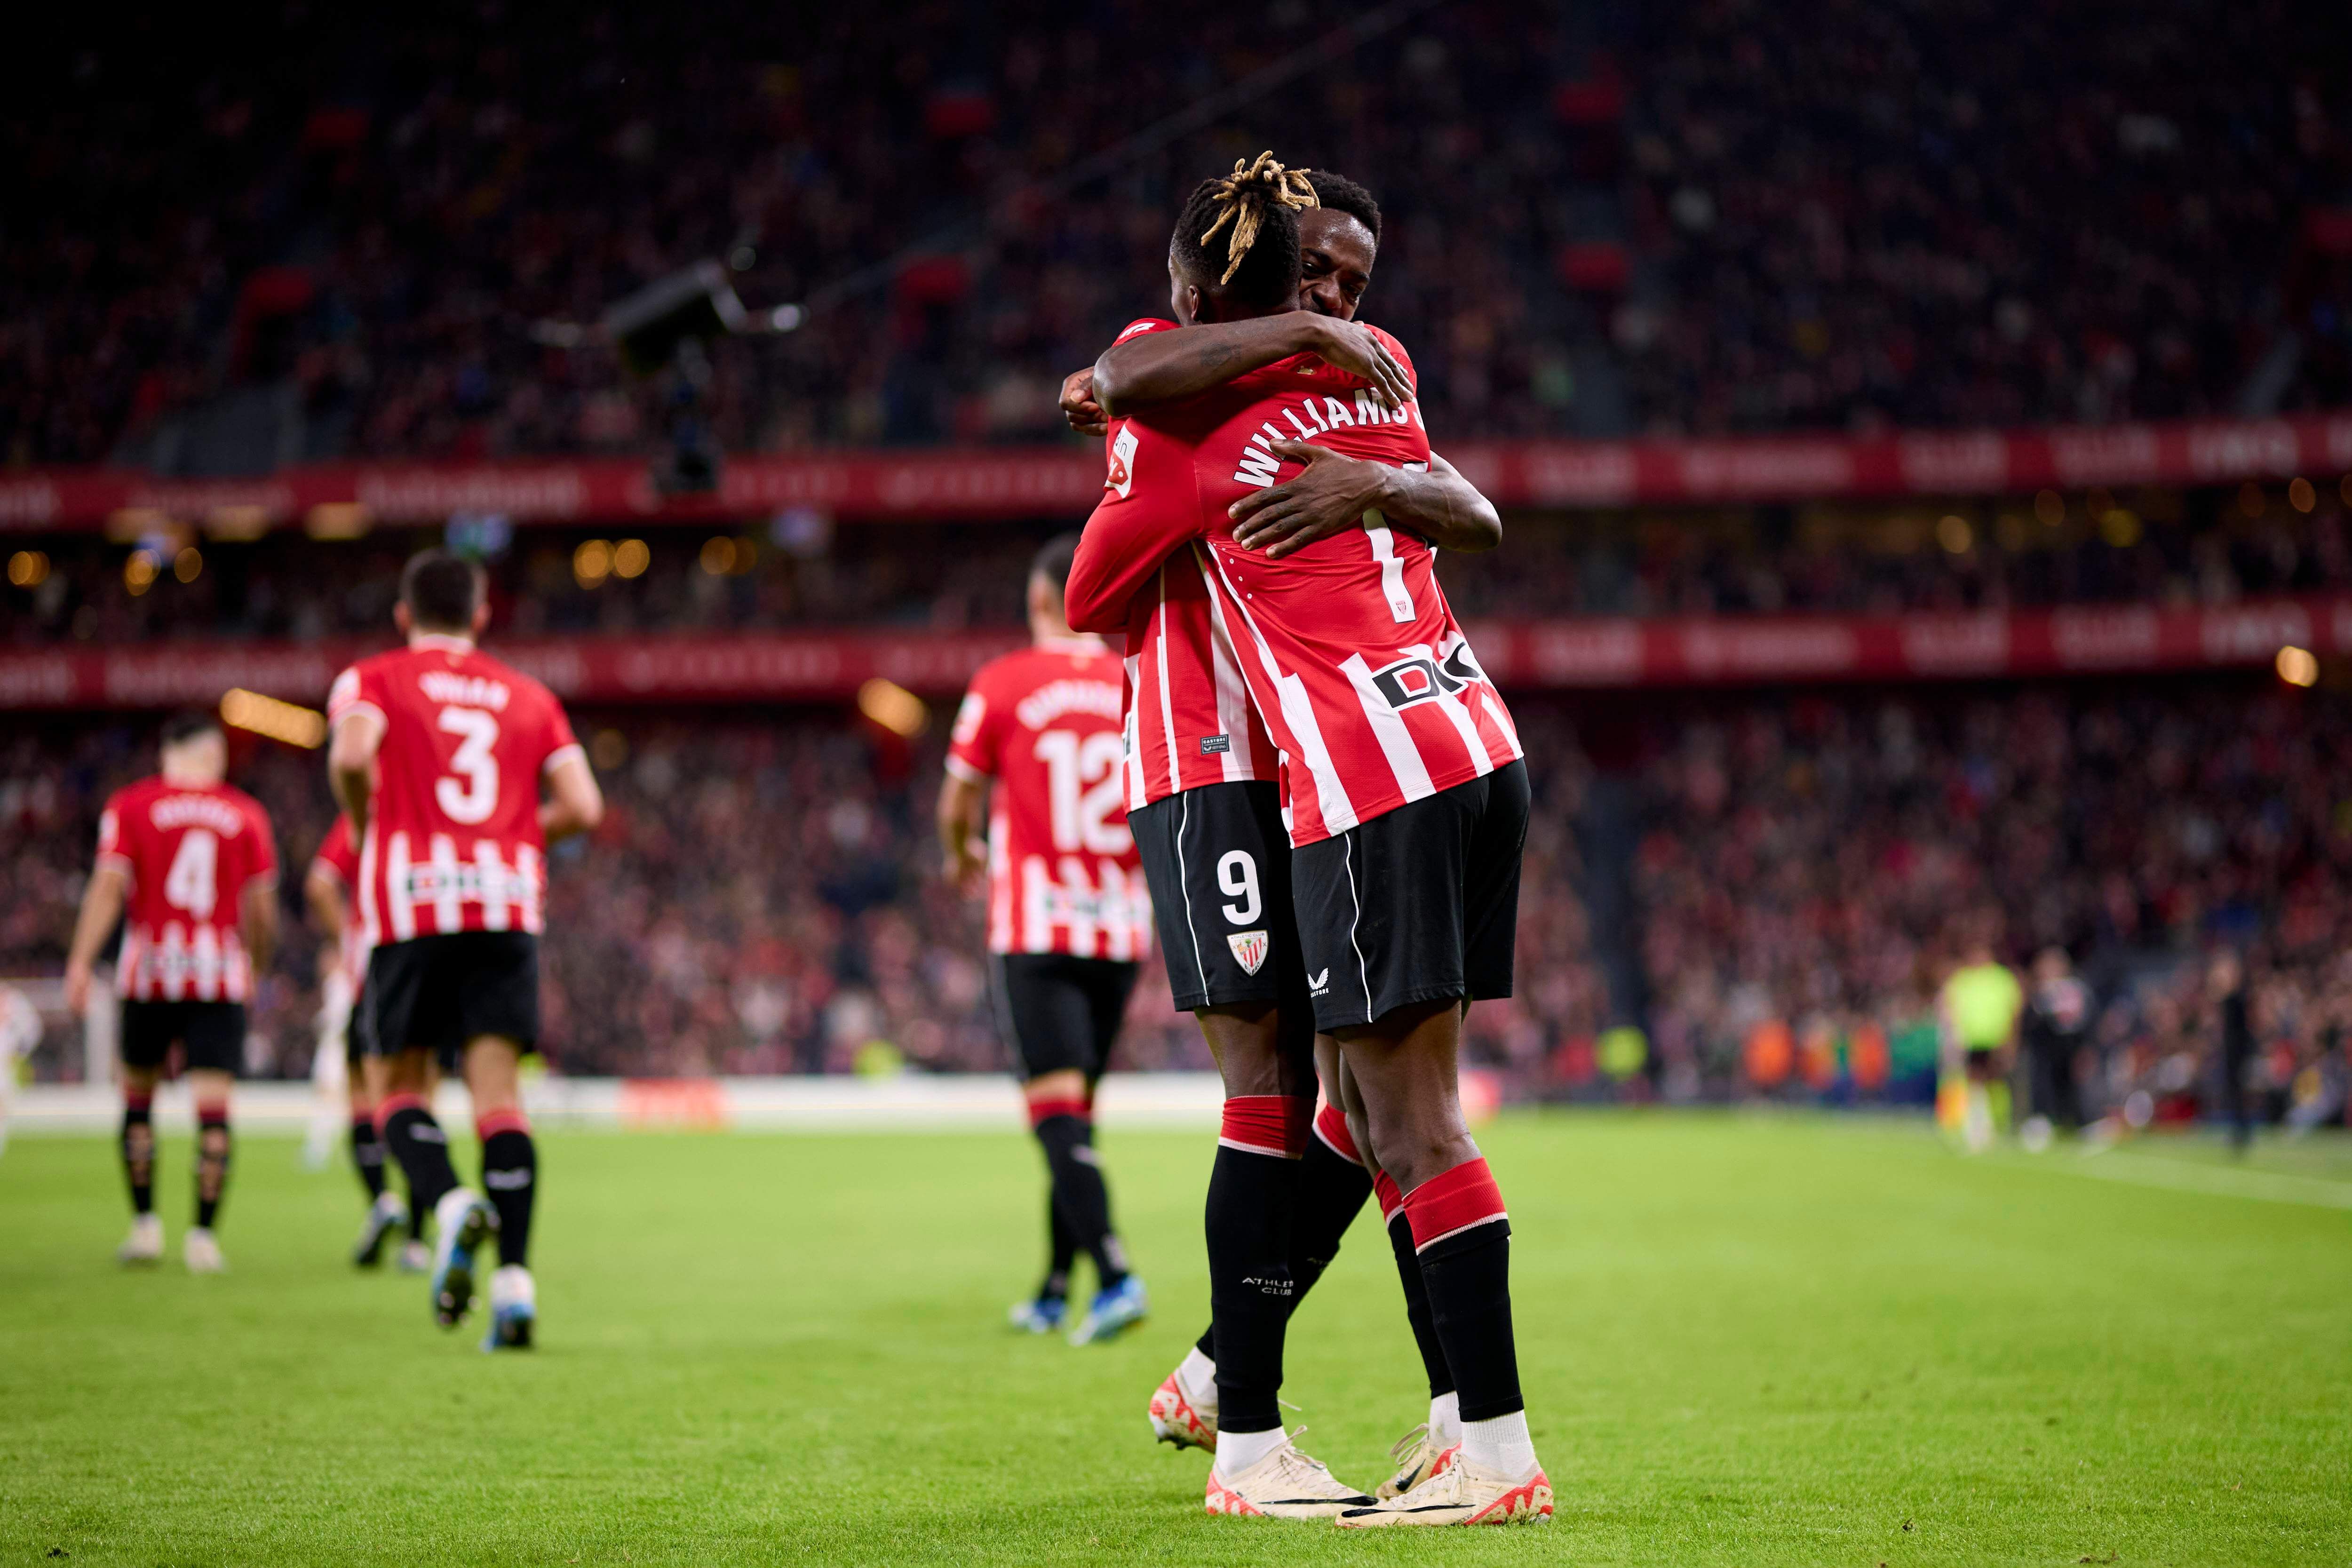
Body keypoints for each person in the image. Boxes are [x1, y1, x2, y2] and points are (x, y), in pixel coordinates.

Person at [1068, 153, 1546, 1528]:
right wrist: (1358, 457)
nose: (1340, 295)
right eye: (1317, 276)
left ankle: (1476, 1448)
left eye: (1351, 284)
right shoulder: (1374, 369)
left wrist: (1340, 481)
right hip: (1468, 739)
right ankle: (1430, 1416)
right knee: (1354, 1098)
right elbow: (1477, 510)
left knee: (1385, 1111)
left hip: (1360, 772)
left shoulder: (1196, 411)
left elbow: (1125, 393)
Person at [326, 550, 603, 1349]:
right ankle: (515, 1289)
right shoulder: (530, 695)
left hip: (412, 903)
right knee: (499, 1099)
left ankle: (449, 1204)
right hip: (505, 900)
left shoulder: (374, 678)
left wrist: (365, 822)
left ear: (404, 616)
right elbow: (584, 803)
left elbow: (351, 755)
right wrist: (511, 836)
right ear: (483, 616)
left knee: (397, 1087)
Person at [938, 533, 1154, 1347]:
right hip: (1121, 925)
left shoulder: (1001, 682)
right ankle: (1056, 1284)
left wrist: (963, 855)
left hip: (1037, 925)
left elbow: (957, 801)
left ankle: (1115, 1273)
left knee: (1058, 1116)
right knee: (1076, 1114)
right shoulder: (1135, 683)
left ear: (1037, 598)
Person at [64, 708, 279, 1272]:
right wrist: (255, 964)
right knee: (213, 1111)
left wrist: (81, 962)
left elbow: (110, 887)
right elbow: (261, 906)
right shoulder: (245, 813)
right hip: (217, 977)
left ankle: (145, 1227)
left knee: (138, 1100)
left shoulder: (131, 805)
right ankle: (204, 1239)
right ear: (212, 753)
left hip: (149, 972)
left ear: (168, 754)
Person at [306, 814, 430, 1271]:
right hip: (426, 971)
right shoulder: (430, 807)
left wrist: (346, 939)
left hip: (372, 973)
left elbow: (320, 884)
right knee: (420, 1100)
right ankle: (418, 1240)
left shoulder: (366, 812)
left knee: (363, 1101)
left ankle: (382, 1201)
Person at [1939, 922, 2023, 1154]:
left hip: (1995, 1039)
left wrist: (2010, 1040)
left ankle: (1999, 1123)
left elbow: (2014, 1012)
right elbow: (1950, 1010)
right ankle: (1978, 1126)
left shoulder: (2002, 979)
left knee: (1996, 1083)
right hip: (1971, 1040)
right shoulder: (1962, 980)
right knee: (1975, 1082)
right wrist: (1953, 1037)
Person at [2019, 947, 2091, 1144]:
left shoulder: (2074, 989)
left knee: (2071, 1086)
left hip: (2069, 1048)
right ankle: (2044, 1121)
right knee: (2042, 1084)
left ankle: (2078, 1121)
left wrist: (2084, 1046)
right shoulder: (2039, 991)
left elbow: (2082, 1020)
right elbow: (2029, 1022)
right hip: (2044, 1050)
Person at [2207, 950, 2256, 1153]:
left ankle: (2241, 1132)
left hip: (2238, 1050)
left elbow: (2218, 992)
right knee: (2233, 1091)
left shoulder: (2236, 996)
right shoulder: (2234, 997)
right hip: (2232, 1049)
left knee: (2236, 1090)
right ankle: (2239, 1131)